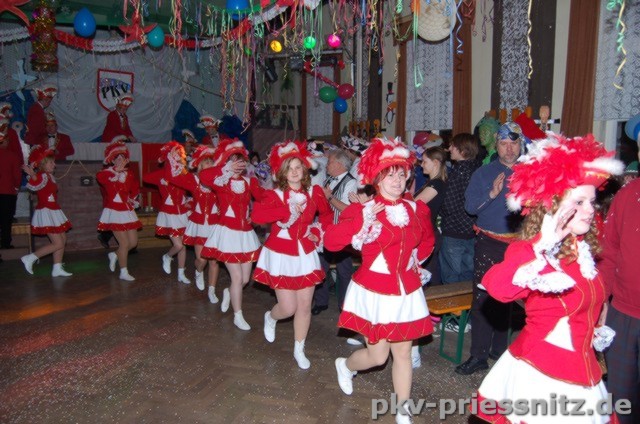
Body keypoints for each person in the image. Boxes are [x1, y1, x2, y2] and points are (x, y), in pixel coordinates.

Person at [474, 133, 623, 424]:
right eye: (579, 202)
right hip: (543, 376)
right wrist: (542, 245)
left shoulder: (583, 250)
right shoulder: (531, 251)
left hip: (584, 373)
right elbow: (497, 288)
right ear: (553, 205)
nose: (589, 210)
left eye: (591, 202)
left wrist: (597, 317)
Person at [326, 137, 435, 424]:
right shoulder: (365, 209)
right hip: (374, 290)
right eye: (390, 175)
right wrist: (361, 221)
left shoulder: (415, 209)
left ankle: (403, 411)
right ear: (376, 178)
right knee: (378, 357)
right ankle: (345, 365)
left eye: (401, 174)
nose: (397, 181)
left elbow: (427, 240)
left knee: (403, 352)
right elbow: (331, 242)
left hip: (406, 289)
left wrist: (417, 258)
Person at [252, 140, 333, 369]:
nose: (295, 172)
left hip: (305, 253)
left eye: (298, 167)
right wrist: (285, 210)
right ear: (282, 172)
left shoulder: (315, 192)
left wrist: (317, 232)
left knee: (305, 306)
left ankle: (299, 348)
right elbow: (257, 216)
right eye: (290, 168)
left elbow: (326, 216)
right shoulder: (275, 195)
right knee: (288, 308)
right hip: (281, 254)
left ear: (305, 169)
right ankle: (271, 317)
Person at [455, 122, 523, 375]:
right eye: (504, 144)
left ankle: (500, 350)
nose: (509, 149)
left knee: (511, 299)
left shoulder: (531, 172)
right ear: (496, 145)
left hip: (520, 246)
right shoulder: (483, 173)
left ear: (521, 145)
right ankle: (479, 355)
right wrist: (492, 194)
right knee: (483, 300)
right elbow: (471, 208)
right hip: (489, 244)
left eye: (513, 143)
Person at [199, 138, 264, 330]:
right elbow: (204, 176)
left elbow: (263, 198)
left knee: (244, 279)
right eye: (233, 160)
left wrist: (256, 215)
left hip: (245, 234)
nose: (238, 163)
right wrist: (224, 169)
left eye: (241, 159)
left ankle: (229, 292)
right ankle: (238, 315)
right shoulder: (221, 181)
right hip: (227, 234)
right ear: (227, 162)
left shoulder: (250, 181)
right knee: (237, 278)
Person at [600, 137, 640, 424]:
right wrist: (603, 301)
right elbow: (609, 252)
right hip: (623, 314)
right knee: (620, 401)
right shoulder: (628, 195)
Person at [169, 145, 221, 303]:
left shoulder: (219, 181)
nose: (209, 166)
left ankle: (212, 290)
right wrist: (173, 161)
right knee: (202, 260)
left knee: (214, 262)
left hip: (215, 225)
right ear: (200, 165)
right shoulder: (194, 180)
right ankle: (198, 271)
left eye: (211, 163)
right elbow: (174, 179)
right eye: (206, 163)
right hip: (199, 225)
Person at [311, 148, 357, 315]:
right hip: (325, 231)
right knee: (320, 267)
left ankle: (344, 306)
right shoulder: (328, 179)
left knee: (344, 271)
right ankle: (321, 302)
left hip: (342, 233)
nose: (327, 165)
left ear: (338, 164)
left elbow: (347, 210)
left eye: (329, 162)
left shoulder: (351, 182)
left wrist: (329, 197)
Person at [143, 142, 191, 285]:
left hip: (182, 212)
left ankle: (181, 273)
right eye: (173, 154)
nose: (176, 156)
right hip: (169, 214)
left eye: (178, 154)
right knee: (178, 245)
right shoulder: (162, 174)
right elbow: (145, 178)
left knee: (183, 246)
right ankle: (167, 256)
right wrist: (162, 176)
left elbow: (192, 187)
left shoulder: (183, 173)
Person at [20, 146, 73, 277]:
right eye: (51, 162)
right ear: (43, 164)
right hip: (46, 211)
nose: (54, 164)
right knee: (58, 243)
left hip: (54, 210)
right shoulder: (42, 175)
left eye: (54, 162)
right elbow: (35, 182)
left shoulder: (49, 176)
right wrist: (32, 174)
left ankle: (57, 268)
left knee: (63, 239)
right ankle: (30, 258)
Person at [96, 140, 142, 281]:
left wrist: (133, 198)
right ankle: (123, 271)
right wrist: (116, 171)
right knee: (124, 244)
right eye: (117, 158)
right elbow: (100, 178)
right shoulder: (107, 173)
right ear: (112, 160)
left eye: (123, 158)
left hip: (126, 210)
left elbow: (134, 188)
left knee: (133, 243)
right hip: (114, 211)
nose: (121, 160)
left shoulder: (129, 174)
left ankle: (115, 255)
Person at [438, 133, 480, 284]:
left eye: (453, 146)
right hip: (472, 231)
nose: (449, 149)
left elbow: (449, 204)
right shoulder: (479, 169)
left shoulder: (458, 172)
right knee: (468, 278)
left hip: (454, 232)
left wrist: (440, 211)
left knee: (451, 279)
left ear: (462, 150)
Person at [414, 146, 448, 285]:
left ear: (435, 163)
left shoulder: (437, 184)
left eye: (424, 161)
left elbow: (414, 204)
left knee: (430, 273)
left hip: (429, 232)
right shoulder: (432, 182)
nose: (421, 165)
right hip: (426, 230)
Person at [0, 130, 24, 249]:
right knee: (6, 219)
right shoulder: (12, 156)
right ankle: (5, 243)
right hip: (7, 192)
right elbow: (17, 176)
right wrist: (16, 187)